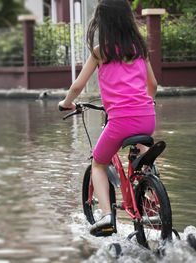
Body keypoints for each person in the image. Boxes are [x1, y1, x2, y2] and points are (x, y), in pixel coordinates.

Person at [58, 0, 157, 237]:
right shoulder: (140, 50)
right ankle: (151, 190)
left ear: (103, 23)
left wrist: (66, 103)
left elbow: (77, 86)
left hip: (120, 121)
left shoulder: (100, 52)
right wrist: (144, 104)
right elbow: (152, 85)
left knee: (98, 164)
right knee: (142, 154)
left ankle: (106, 216)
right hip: (147, 117)